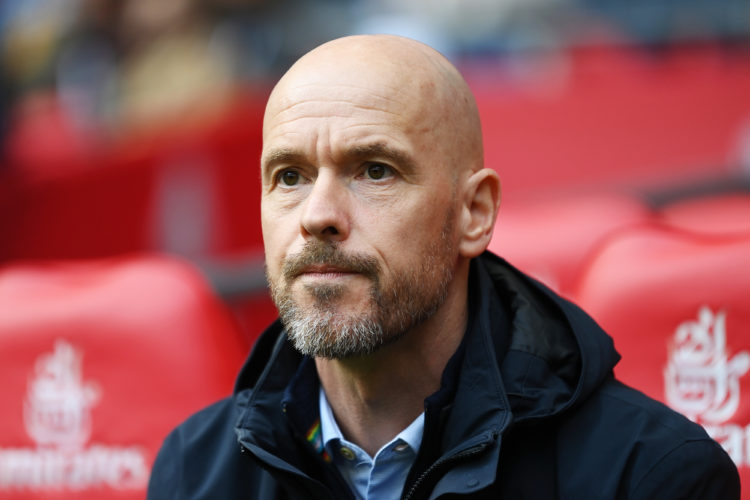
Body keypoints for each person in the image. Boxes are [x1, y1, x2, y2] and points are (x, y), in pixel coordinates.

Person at [147, 34, 740, 499]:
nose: (318, 215)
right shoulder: (194, 471)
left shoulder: (650, 476)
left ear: (474, 213)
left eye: (375, 170)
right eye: (290, 177)